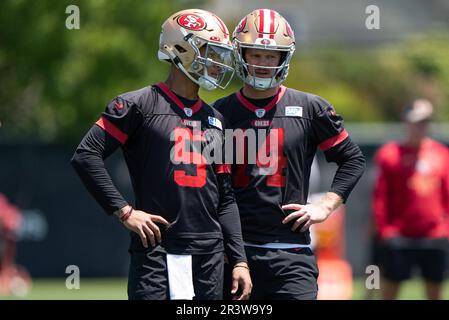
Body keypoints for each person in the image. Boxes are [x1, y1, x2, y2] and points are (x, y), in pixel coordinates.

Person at [71, 9, 251, 300]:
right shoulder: (138, 105)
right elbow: (86, 155)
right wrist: (125, 212)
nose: (217, 63)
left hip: (209, 255)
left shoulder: (216, 119)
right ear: (180, 48)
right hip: (158, 250)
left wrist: (239, 259)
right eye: (210, 52)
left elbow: (225, 198)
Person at [214, 9, 365, 300]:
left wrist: (325, 207)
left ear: (284, 58)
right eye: (256, 54)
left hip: (289, 251)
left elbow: (353, 159)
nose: (263, 63)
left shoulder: (310, 108)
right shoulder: (219, 113)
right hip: (233, 251)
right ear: (241, 54)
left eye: (271, 56)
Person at [373, 99, 449, 300]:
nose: (422, 126)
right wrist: (386, 231)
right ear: (406, 122)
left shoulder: (442, 154)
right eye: (417, 121)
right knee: (388, 291)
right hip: (399, 237)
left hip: (434, 236)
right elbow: (380, 197)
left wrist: (445, 229)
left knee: (435, 292)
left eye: (426, 121)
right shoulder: (390, 154)